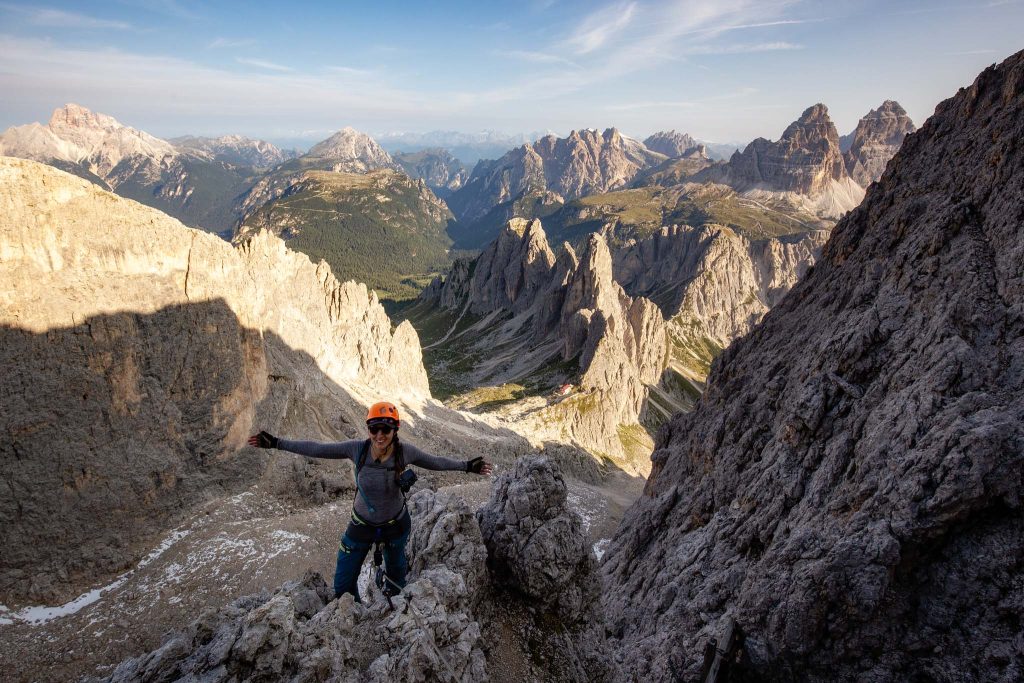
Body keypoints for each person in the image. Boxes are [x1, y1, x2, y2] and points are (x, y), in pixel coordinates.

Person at [248, 401, 493, 602]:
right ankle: (355, 614)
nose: (379, 435)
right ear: (368, 429)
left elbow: (435, 461)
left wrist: (467, 467)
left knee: (397, 577)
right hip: (361, 526)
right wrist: (277, 443)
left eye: (385, 429)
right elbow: (318, 448)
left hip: (396, 526)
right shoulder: (358, 449)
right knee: (343, 586)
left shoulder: (404, 452)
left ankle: (392, 606)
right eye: (374, 428)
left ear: (394, 430)